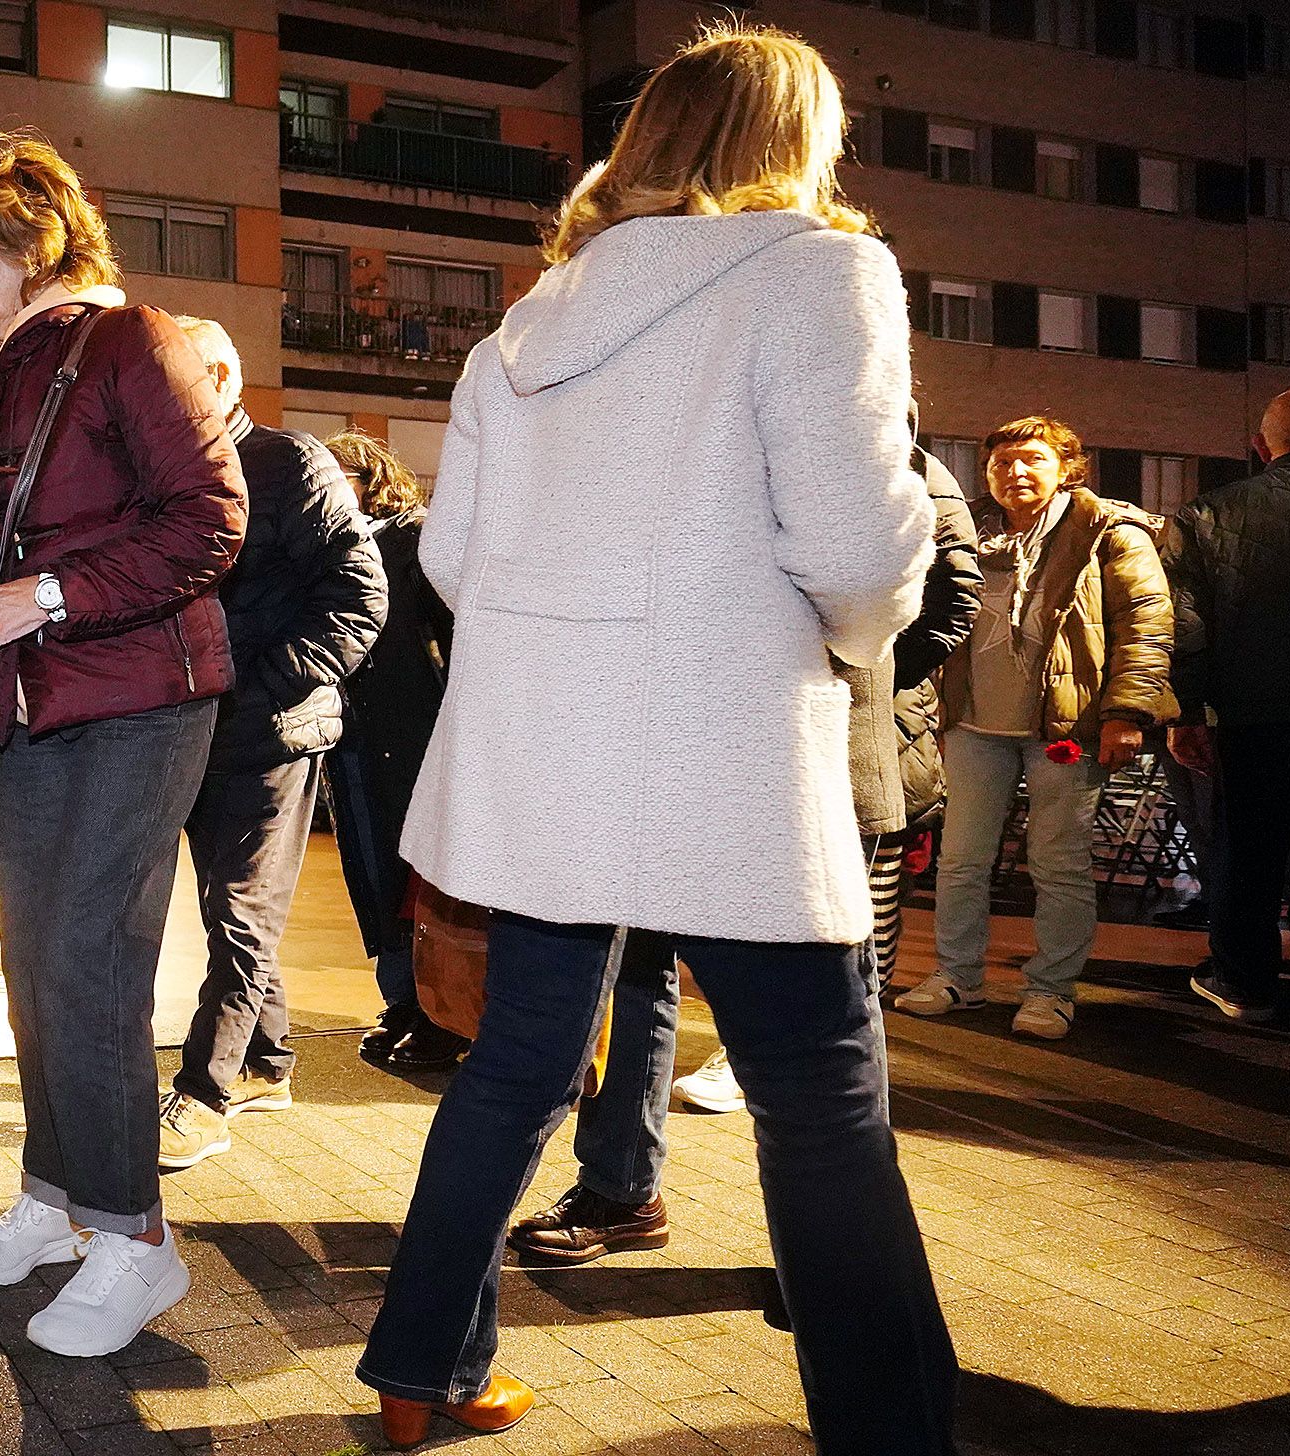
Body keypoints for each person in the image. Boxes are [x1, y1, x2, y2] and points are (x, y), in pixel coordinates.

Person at [354, 26, 955, 1452]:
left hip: (548, 764)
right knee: (820, 1098)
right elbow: (858, 547)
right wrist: (859, 631)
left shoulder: (534, 319)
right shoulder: (820, 272)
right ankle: (891, 1431)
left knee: (514, 1065)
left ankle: (419, 1369)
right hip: (720, 752)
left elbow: (453, 559)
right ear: (788, 144)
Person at [0, 128, 246, 1358]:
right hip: (36, 705)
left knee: (90, 956)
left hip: (144, 693)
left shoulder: (129, 342)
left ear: (28, 229)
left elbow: (209, 520)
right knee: (37, 961)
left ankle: (135, 1239)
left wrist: (40, 598)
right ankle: (59, 1196)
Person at [508, 444, 984, 1265]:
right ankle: (621, 1190)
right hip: (688, 758)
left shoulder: (884, 450)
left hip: (822, 760)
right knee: (640, 972)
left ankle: (840, 1250)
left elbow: (929, 595)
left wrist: (850, 668)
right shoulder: (709, 433)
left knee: (829, 1014)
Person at [157, 317, 386, 1169]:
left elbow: (361, 595)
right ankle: (269, 1062)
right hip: (199, 727)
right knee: (233, 905)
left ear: (220, 375)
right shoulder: (177, 476)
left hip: (271, 730)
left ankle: (205, 1091)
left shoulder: (290, 464)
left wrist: (268, 686)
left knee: (240, 910)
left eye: (173, 382)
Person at [898, 416, 1173, 1039]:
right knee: (961, 859)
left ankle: (1051, 991)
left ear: (1067, 467)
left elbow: (1147, 624)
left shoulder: (1109, 530)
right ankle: (958, 978)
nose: (1015, 473)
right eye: (1002, 463)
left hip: (1066, 724)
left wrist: (1127, 712)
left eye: (1032, 461)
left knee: (1059, 862)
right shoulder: (970, 528)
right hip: (973, 721)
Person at [321, 434, 462, 1073]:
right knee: (370, 873)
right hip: (353, 738)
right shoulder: (325, 548)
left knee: (417, 879)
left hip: (415, 737)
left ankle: (439, 1013)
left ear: (370, 478)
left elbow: (457, 637)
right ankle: (401, 1002)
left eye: (337, 473)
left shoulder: (413, 542)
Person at [1170, 386, 1290, 1023]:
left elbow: (1185, 626)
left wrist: (1187, 714)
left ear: (1261, 447)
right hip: (1261, 711)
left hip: (1257, 715)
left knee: (1249, 847)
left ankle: (1244, 981)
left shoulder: (1210, 514)